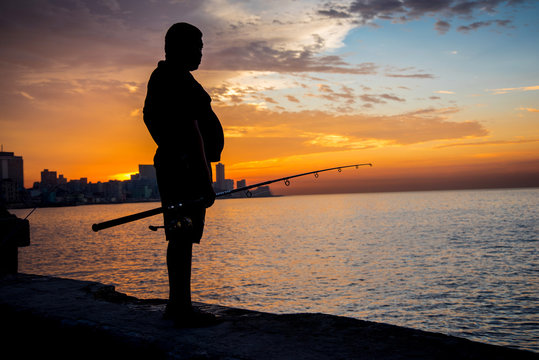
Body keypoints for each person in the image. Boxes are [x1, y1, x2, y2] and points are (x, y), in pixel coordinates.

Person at [143, 22, 224, 326]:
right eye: (198, 46)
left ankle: (180, 305)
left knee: (181, 236)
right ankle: (180, 308)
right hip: (185, 171)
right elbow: (191, 133)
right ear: (180, 47)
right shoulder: (174, 79)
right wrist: (205, 179)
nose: (202, 52)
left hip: (180, 167)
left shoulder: (166, 77)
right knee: (181, 235)